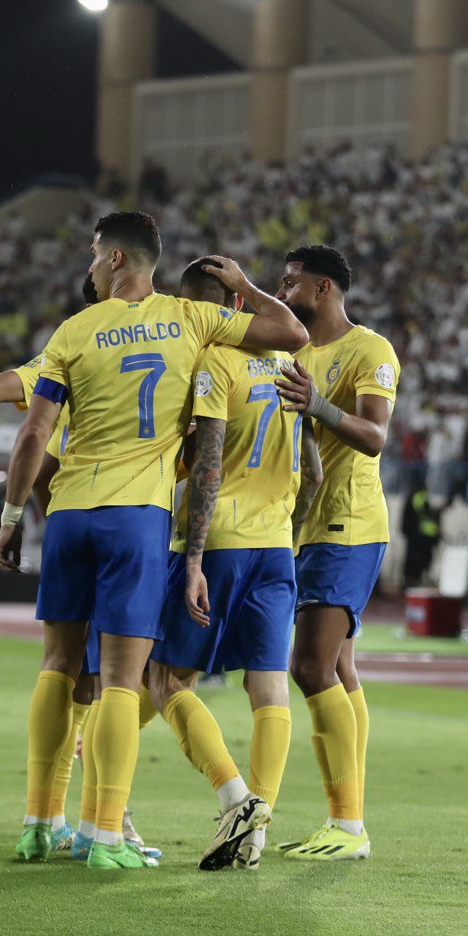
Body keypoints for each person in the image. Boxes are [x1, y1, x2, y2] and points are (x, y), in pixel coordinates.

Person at [0, 211, 307, 870]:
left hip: (73, 512)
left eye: (91, 255)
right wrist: (247, 284)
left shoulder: (74, 331)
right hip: (146, 518)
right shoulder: (197, 327)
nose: (87, 266)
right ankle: (105, 832)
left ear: (114, 260)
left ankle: (38, 822)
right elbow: (291, 332)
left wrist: (10, 514)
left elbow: (28, 435)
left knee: (57, 666)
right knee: (126, 680)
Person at [146, 258, 324, 871]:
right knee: (268, 686)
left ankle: (235, 794)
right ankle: (256, 829)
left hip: (217, 540)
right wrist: (286, 530)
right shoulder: (286, 367)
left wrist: (193, 558)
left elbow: (210, 464)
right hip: (276, 546)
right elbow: (316, 471)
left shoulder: (211, 364)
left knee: (165, 681)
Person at [273, 243, 399, 862]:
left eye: (291, 281)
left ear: (323, 288)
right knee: (339, 669)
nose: (282, 287)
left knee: (310, 668)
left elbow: (375, 436)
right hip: (305, 525)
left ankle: (348, 825)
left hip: (348, 522)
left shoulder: (369, 350)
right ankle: (345, 822)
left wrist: (318, 405)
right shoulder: (291, 352)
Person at [400, 475, 440, 587]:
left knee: (412, 558)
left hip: (415, 534)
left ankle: (410, 580)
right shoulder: (419, 497)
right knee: (419, 559)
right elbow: (425, 514)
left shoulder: (412, 497)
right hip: (420, 535)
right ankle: (414, 580)